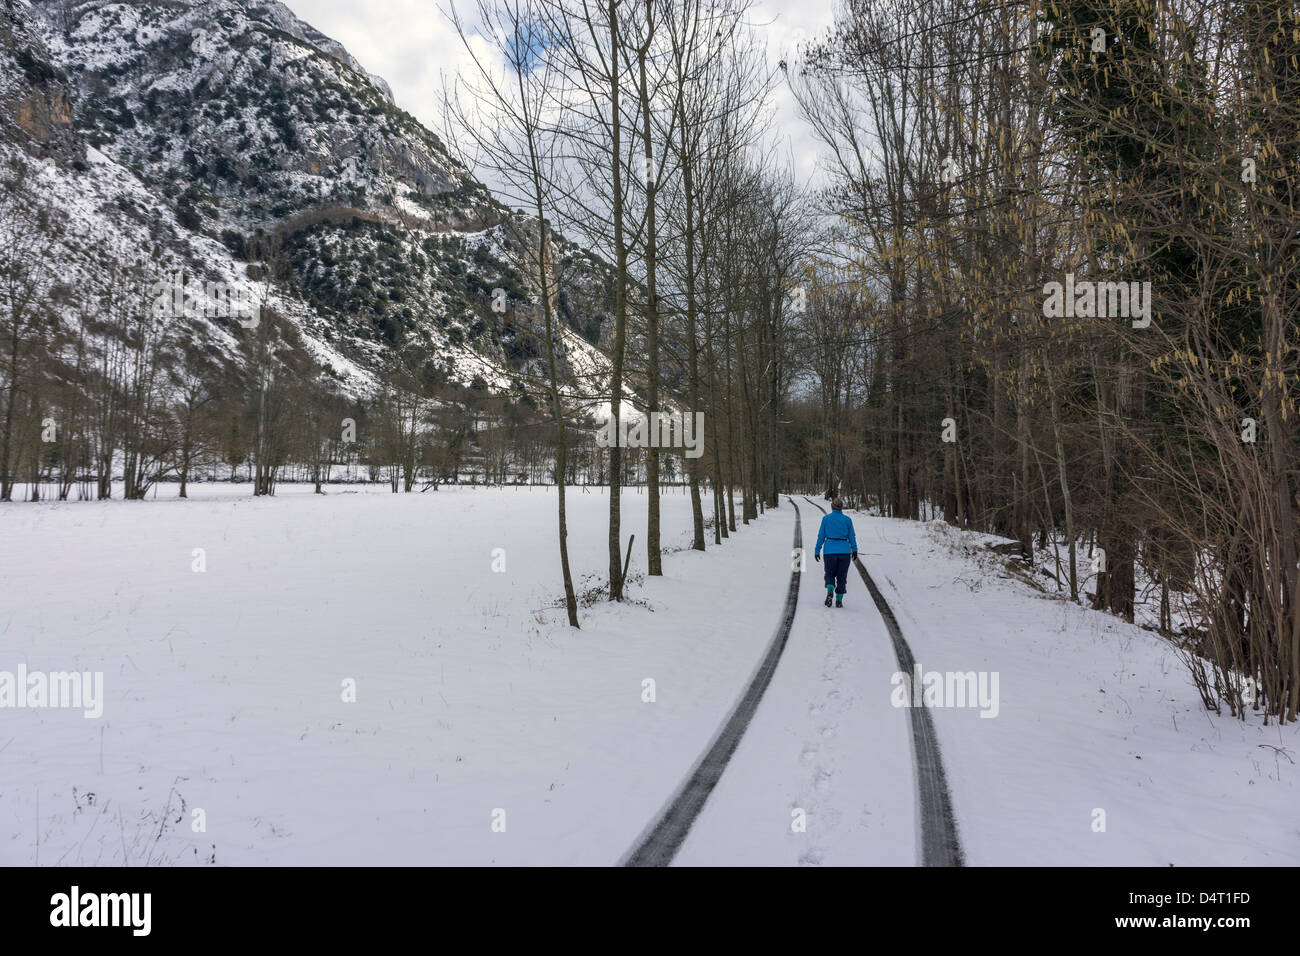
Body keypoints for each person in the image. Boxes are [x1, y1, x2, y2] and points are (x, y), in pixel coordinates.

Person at [814, 498, 858, 608]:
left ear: (832, 507)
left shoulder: (826, 519)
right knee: (842, 576)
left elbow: (821, 536)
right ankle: (839, 601)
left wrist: (817, 550)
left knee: (829, 573)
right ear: (841, 508)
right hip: (844, 551)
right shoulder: (847, 520)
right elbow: (852, 536)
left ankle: (830, 590)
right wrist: (855, 550)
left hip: (829, 551)